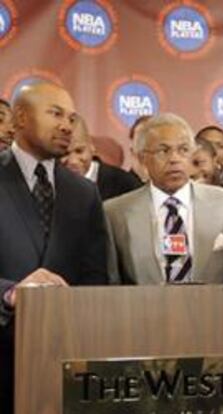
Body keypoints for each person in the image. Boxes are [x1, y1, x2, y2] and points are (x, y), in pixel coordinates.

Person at [0, 82, 108, 413]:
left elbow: (95, 275)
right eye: (55, 113)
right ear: (20, 117)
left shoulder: (84, 193)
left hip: (66, 363)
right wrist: (10, 293)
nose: (66, 125)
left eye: (72, 118)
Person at [105, 113, 223, 285]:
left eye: (183, 150)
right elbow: (112, 286)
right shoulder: (115, 213)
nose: (174, 159)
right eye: (163, 151)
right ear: (143, 159)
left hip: (215, 310)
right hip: (143, 310)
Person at [61, 116, 143, 200]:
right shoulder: (49, 185)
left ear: (92, 147)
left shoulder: (125, 184)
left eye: (79, 151)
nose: (73, 161)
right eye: (64, 154)